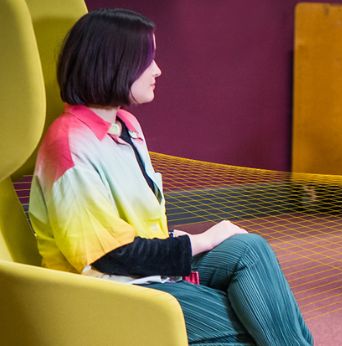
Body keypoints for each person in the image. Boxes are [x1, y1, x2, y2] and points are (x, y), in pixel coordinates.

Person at [29, 9, 312, 345]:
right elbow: (109, 256)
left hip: (147, 272)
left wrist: (193, 241)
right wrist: (203, 240)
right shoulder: (69, 145)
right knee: (255, 319)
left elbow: (142, 227)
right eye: (148, 59)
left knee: (249, 250)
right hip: (110, 289)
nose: (158, 70)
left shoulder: (126, 126)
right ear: (116, 63)